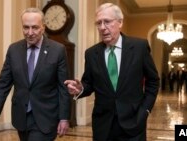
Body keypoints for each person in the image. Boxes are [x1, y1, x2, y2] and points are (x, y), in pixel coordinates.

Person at [64, 3, 160, 141]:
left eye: (107, 22)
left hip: (134, 122)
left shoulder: (139, 47)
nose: (102, 27)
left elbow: (153, 81)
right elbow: (89, 84)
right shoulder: (91, 53)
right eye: (98, 23)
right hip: (103, 125)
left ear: (120, 22)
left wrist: (145, 110)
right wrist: (80, 88)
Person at [0, 8, 71, 141]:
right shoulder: (14, 50)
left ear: (43, 27)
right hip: (21, 118)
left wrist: (64, 118)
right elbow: (3, 83)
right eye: (26, 27)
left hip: (46, 117)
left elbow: (63, 88)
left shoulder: (57, 50)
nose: (30, 33)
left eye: (35, 28)